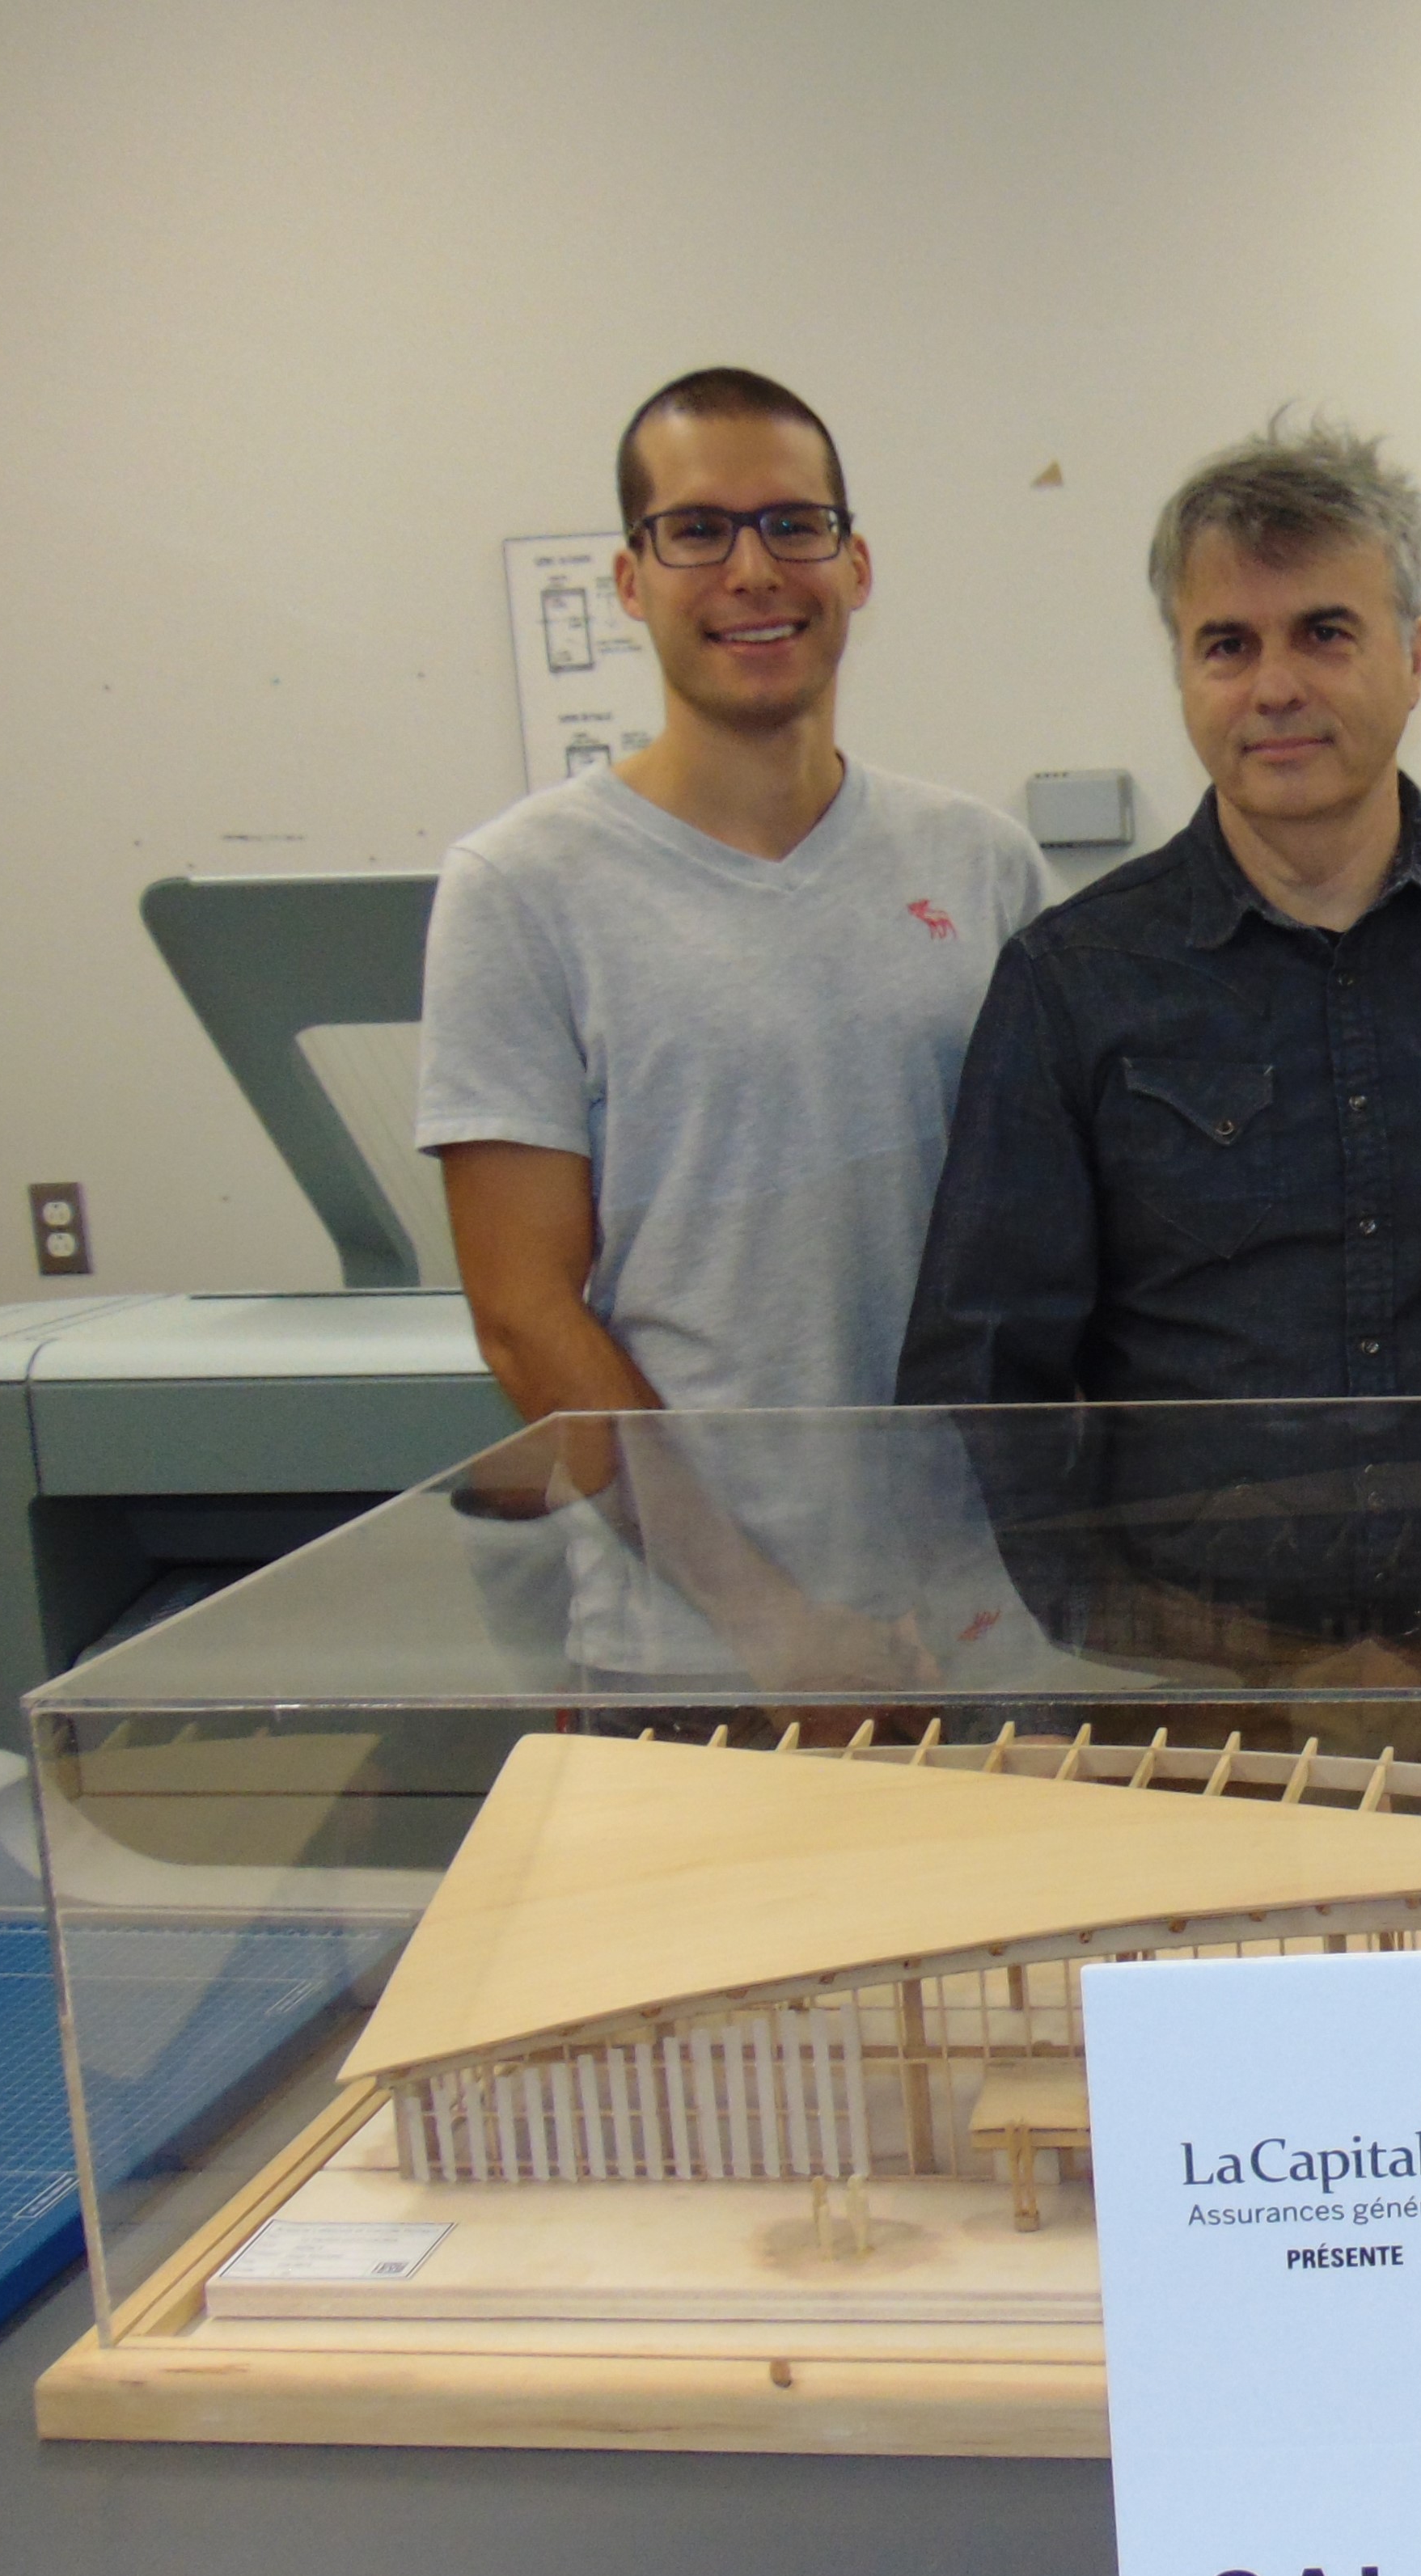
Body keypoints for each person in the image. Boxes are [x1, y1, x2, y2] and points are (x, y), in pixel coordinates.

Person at [413, 367, 1050, 1691]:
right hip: (698, 1662)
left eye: (793, 525)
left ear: (856, 563)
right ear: (629, 577)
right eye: (697, 530)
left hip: (980, 1630)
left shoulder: (982, 864)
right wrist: (771, 1626)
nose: (752, 570)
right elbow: (524, 1318)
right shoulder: (522, 889)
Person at [897, 414, 1421, 1414]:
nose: (1276, 688)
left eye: (1325, 633)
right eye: (1228, 646)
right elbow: (981, 1374)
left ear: (1415, 656)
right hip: (1190, 1530)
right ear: (1182, 673)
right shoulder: (1071, 981)